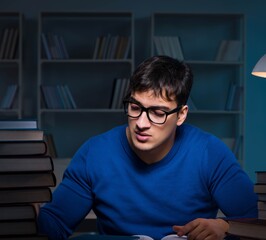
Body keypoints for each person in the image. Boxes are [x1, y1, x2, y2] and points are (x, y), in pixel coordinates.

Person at [37, 55, 258, 240]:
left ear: (181, 115)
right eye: (135, 107)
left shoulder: (210, 153)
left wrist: (224, 227)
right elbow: (55, 222)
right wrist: (22, 214)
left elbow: (254, 220)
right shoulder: (94, 153)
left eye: (158, 113)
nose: (141, 123)